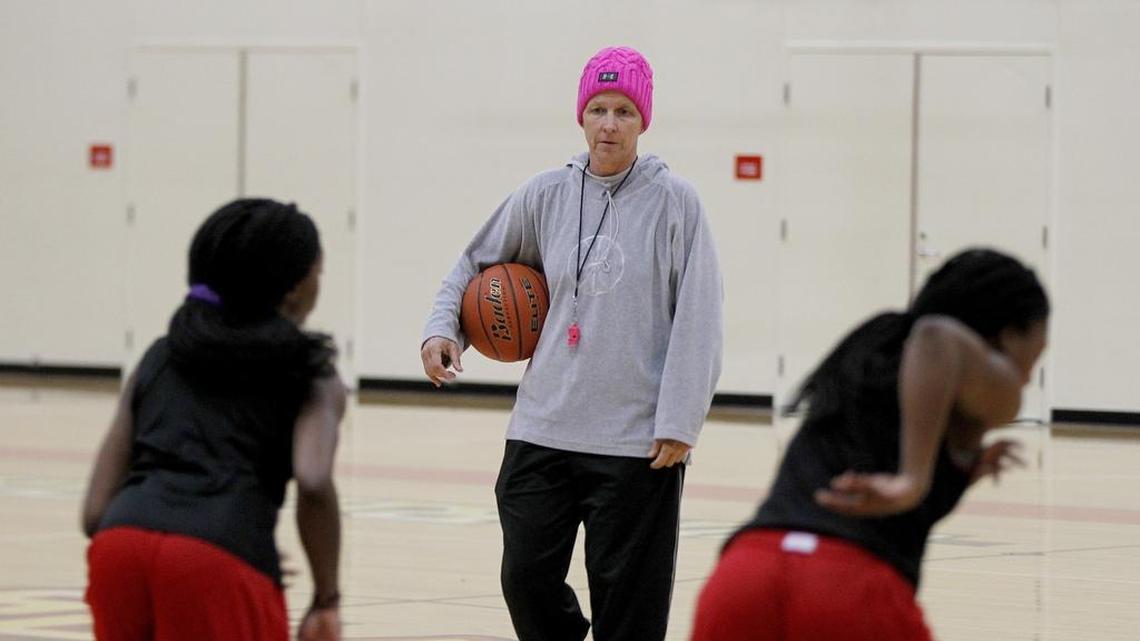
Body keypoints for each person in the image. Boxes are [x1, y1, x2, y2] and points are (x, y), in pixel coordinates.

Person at [420, 46, 723, 641]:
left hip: (636, 440)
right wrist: (442, 328)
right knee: (525, 577)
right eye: (599, 109)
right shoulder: (546, 194)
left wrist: (681, 419)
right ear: (581, 116)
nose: (609, 124)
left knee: (630, 607)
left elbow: (701, 317)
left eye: (625, 112)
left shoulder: (676, 203)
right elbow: (475, 262)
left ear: (644, 121)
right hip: (543, 428)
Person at [689, 248, 1050, 641]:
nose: (1030, 376)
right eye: (1037, 354)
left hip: (745, 574)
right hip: (848, 588)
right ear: (1009, 336)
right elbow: (937, 338)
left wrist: (958, 473)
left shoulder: (873, 342)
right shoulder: (975, 368)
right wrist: (912, 479)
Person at [81, 199, 345, 641]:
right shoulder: (311, 369)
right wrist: (325, 597)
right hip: (221, 559)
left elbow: (93, 513)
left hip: (118, 548)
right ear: (296, 288)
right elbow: (314, 480)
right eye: (319, 271)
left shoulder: (160, 354)